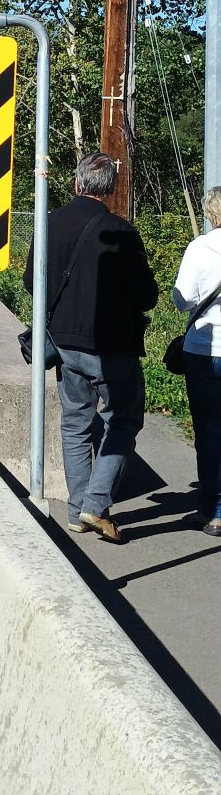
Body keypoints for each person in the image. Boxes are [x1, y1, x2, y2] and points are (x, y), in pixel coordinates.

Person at [22, 152, 158, 544]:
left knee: (75, 424)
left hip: (64, 344)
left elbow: (34, 282)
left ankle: (77, 510)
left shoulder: (50, 224)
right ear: (111, 189)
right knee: (123, 420)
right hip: (112, 347)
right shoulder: (122, 232)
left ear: (77, 183)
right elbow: (146, 296)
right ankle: (95, 505)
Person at [172, 186, 221, 538]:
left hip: (204, 349)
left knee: (208, 431)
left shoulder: (199, 248)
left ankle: (211, 510)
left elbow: (182, 298)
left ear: (209, 213)